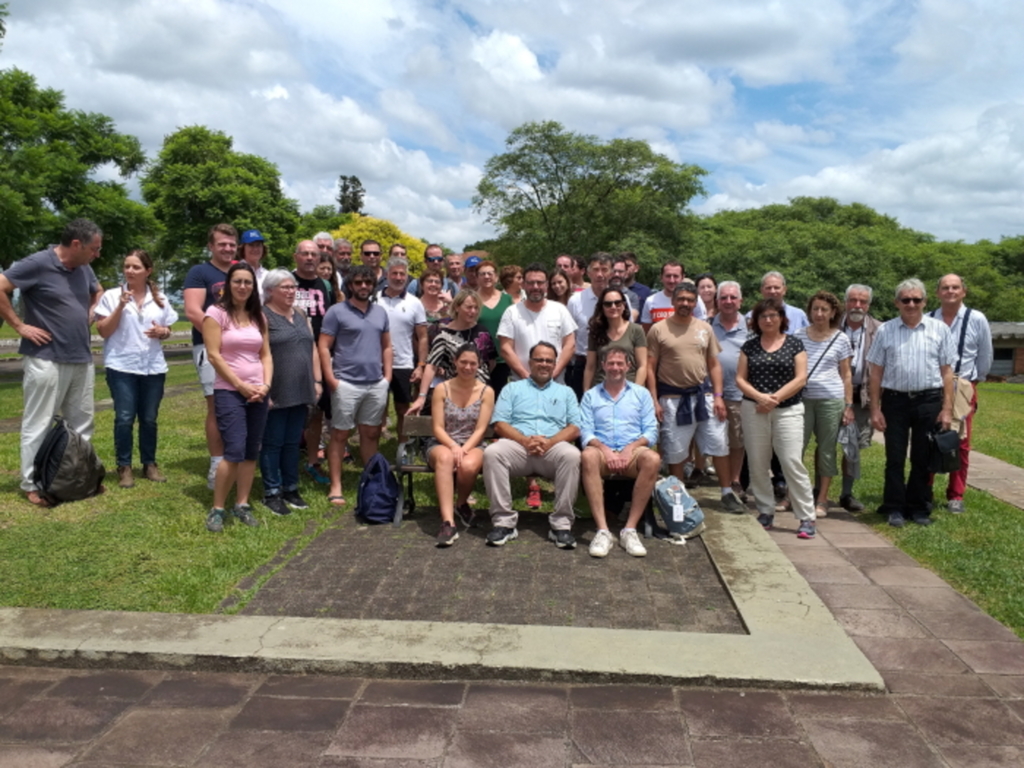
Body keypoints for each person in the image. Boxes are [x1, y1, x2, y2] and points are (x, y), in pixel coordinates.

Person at [0, 219, 104, 506]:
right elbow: (1, 286)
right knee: (39, 422)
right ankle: (32, 483)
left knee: (82, 421)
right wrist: (20, 326)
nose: (97, 254)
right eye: (94, 249)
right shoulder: (37, 263)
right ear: (76, 245)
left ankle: (78, 478)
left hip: (81, 357)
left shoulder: (85, 267)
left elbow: (98, 290)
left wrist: (95, 307)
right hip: (46, 359)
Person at [646, 283, 745, 514]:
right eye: (681, 299)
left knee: (719, 445)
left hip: (704, 396)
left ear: (695, 303)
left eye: (690, 300)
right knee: (676, 451)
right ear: (673, 301)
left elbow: (714, 365)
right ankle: (677, 496)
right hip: (672, 398)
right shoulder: (659, 330)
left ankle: (726, 492)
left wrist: (719, 396)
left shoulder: (704, 328)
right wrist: (653, 399)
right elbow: (650, 367)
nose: (685, 304)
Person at [868, 279, 955, 527]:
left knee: (922, 456)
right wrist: (875, 408)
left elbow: (947, 372)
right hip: (895, 401)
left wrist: (947, 408)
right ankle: (894, 506)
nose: (911, 304)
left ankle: (918, 507)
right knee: (894, 457)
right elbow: (875, 373)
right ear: (897, 303)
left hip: (928, 400)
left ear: (925, 302)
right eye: (906, 300)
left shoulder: (939, 330)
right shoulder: (885, 330)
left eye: (917, 299)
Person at [483, 342, 582, 548]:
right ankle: (504, 523)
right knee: (493, 452)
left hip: (552, 448)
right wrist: (524, 441)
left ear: (555, 364)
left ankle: (561, 525)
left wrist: (550, 442)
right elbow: (499, 423)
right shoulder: (512, 388)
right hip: (519, 447)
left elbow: (575, 428)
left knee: (572, 455)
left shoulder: (566, 392)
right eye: (539, 359)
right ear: (530, 362)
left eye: (549, 360)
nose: (544, 364)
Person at [94, 249, 178, 488]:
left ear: (148, 271)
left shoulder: (160, 298)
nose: (129, 271)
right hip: (121, 365)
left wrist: (164, 332)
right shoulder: (111, 296)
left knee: (149, 418)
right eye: (126, 266)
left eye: (136, 267)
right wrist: (120, 307)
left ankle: (149, 464)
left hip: (153, 367)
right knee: (124, 417)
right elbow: (103, 331)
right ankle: (124, 467)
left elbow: (167, 329)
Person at [497, 263, 577, 509]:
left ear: (546, 284)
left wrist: (554, 371)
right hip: (521, 383)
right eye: (530, 282)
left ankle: (561, 488)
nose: (535, 287)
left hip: (554, 381)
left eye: (540, 282)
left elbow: (570, 343)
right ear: (523, 284)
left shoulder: (559, 310)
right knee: (526, 426)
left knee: (553, 430)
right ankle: (532, 486)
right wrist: (524, 374)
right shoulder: (513, 312)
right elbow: (506, 346)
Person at [735, 297, 816, 537]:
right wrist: (760, 398)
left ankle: (806, 517)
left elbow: (801, 378)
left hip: (788, 410)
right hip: (754, 410)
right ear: (756, 321)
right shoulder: (749, 346)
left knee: (792, 462)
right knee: (758, 463)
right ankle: (765, 510)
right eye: (763, 316)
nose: (768, 320)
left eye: (773, 315)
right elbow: (740, 379)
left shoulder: (794, 344)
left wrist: (774, 399)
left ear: (781, 318)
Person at [203, 262, 272, 533]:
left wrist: (265, 385)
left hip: (258, 391)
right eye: (238, 281)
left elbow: (265, 354)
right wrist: (241, 385)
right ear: (228, 285)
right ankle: (217, 508)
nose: (243, 286)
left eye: (248, 282)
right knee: (233, 450)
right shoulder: (215, 313)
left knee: (250, 450)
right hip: (230, 391)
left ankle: (242, 504)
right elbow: (214, 355)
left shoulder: (258, 316)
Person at [319, 265, 393, 506]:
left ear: (373, 286)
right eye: (358, 282)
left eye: (368, 283)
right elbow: (323, 346)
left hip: (375, 384)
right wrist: (331, 380)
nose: (363, 287)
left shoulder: (380, 312)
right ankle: (336, 485)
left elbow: (387, 346)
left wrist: (387, 378)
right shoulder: (336, 311)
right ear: (350, 285)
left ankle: (371, 482)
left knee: (371, 433)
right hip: (346, 383)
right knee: (340, 434)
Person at [580, 348, 660, 558]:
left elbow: (651, 430)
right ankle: (603, 531)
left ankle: (630, 529)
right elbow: (585, 431)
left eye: (619, 363)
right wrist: (604, 450)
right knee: (587, 455)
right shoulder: (590, 396)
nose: (615, 368)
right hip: (601, 451)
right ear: (603, 366)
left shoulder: (641, 394)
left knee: (652, 459)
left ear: (628, 366)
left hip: (632, 450)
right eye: (611, 363)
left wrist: (630, 449)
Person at [259, 269, 321, 517]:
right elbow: (259, 354)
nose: (290, 291)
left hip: (301, 388)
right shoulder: (262, 316)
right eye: (284, 287)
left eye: (293, 287)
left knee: (292, 442)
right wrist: (265, 389)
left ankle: (291, 488)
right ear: (270, 290)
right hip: (276, 388)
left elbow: (313, 347)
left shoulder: (300, 314)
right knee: (273, 443)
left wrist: (316, 380)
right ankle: (272, 492)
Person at [929, 274, 993, 514]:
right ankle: (925, 490)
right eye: (945, 287)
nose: (950, 291)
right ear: (937, 293)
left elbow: (985, 356)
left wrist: (972, 383)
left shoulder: (976, 319)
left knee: (961, 442)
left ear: (963, 291)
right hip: (933, 384)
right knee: (930, 438)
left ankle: (956, 494)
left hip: (964, 385)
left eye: (955, 287)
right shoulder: (929, 318)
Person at [184, 223, 236, 489]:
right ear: (211, 246)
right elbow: (193, 311)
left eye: (231, 244)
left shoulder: (242, 270)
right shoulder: (200, 272)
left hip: (241, 349)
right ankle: (217, 463)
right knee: (216, 405)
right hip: (209, 348)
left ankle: (237, 458)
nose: (227, 248)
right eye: (222, 244)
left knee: (240, 403)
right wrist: (220, 338)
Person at [427, 344, 496, 546]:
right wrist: (453, 447)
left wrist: (464, 449)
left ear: (479, 365)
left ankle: (461, 502)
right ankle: (448, 523)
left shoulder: (486, 391)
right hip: (443, 442)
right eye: (463, 362)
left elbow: (480, 430)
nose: (467, 367)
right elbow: (438, 428)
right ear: (455, 362)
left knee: (468, 464)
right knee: (445, 458)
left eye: (472, 363)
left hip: (473, 443)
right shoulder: (442, 388)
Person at [794, 291, 854, 516]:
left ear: (833, 313)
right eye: (815, 309)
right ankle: (793, 495)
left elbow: (846, 374)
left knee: (827, 449)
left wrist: (849, 405)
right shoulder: (798, 336)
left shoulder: (841, 338)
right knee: (795, 447)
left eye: (824, 310)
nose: (819, 314)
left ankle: (822, 498)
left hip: (831, 400)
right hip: (802, 398)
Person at [292, 239, 338, 484]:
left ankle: (313, 461)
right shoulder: (286, 281)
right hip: (290, 355)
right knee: (290, 411)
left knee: (319, 411)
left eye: (314, 254)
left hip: (320, 355)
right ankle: (285, 462)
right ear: (295, 256)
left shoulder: (325, 286)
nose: (310, 258)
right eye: (305, 254)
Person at [408, 290, 495, 415]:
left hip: (481, 393)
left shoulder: (483, 332)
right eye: (469, 307)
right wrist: (422, 396)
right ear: (457, 307)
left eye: (476, 308)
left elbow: (491, 362)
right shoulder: (443, 335)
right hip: (455, 394)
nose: (473, 311)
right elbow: (431, 366)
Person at [837, 284, 882, 511]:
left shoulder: (879, 329)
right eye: (853, 300)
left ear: (868, 305)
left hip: (862, 395)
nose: (857, 305)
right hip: (832, 394)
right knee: (824, 444)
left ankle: (846, 493)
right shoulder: (831, 324)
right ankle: (817, 491)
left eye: (862, 302)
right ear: (845, 302)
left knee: (852, 446)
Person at [375, 257, 428, 448]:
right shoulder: (374, 300)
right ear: (387, 274)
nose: (398, 277)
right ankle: (371, 450)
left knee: (402, 408)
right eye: (395, 273)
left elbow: (422, 337)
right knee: (374, 408)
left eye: (402, 274)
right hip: (375, 363)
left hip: (403, 363)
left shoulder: (414, 302)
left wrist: (421, 365)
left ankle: (403, 447)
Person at [567, 253, 632, 400]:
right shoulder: (576, 301)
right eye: (596, 269)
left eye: (604, 269)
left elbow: (629, 329)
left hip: (616, 366)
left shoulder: (623, 299)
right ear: (588, 272)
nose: (600, 274)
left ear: (611, 272)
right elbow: (570, 336)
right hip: (583, 365)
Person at [710, 281, 749, 501]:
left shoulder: (751, 327)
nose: (728, 301)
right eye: (723, 297)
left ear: (740, 301)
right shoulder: (707, 325)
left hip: (738, 393)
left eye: (733, 297)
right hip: (710, 393)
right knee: (711, 439)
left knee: (736, 440)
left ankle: (734, 480)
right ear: (717, 301)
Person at [582, 287, 648, 392]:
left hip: (629, 390)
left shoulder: (636, 330)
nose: (613, 307)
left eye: (617, 303)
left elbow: (642, 366)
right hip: (601, 391)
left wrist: (636, 392)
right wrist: (586, 391)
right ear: (602, 307)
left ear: (624, 305)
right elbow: (590, 366)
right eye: (608, 304)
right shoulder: (596, 332)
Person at [475, 260, 513, 396]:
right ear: (477, 278)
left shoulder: (507, 299)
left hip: (504, 359)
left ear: (496, 277)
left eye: (490, 273)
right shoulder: (472, 299)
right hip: (478, 361)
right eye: (482, 274)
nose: (486, 277)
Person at [640, 261, 705, 333]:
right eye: (668, 276)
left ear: (682, 277)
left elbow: (702, 327)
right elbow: (647, 331)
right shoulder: (650, 301)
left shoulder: (694, 300)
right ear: (661, 277)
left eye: (676, 276)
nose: (672, 280)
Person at [238, 229, 268, 299]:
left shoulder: (268, 275)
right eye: (251, 245)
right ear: (243, 248)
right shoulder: (235, 271)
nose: (255, 249)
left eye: (258, 245)